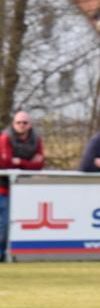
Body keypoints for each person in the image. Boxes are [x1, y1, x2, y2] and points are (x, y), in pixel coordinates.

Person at [0, 111, 45, 261]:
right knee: (4, 224)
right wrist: (28, 163)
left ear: (30, 124)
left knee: (16, 224)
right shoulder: (5, 137)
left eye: (25, 122)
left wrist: (20, 162)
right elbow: (5, 163)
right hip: (3, 187)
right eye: (18, 122)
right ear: (13, 124)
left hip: (22, 189)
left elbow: (39, 164)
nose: (21, 125)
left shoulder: (36, 139)